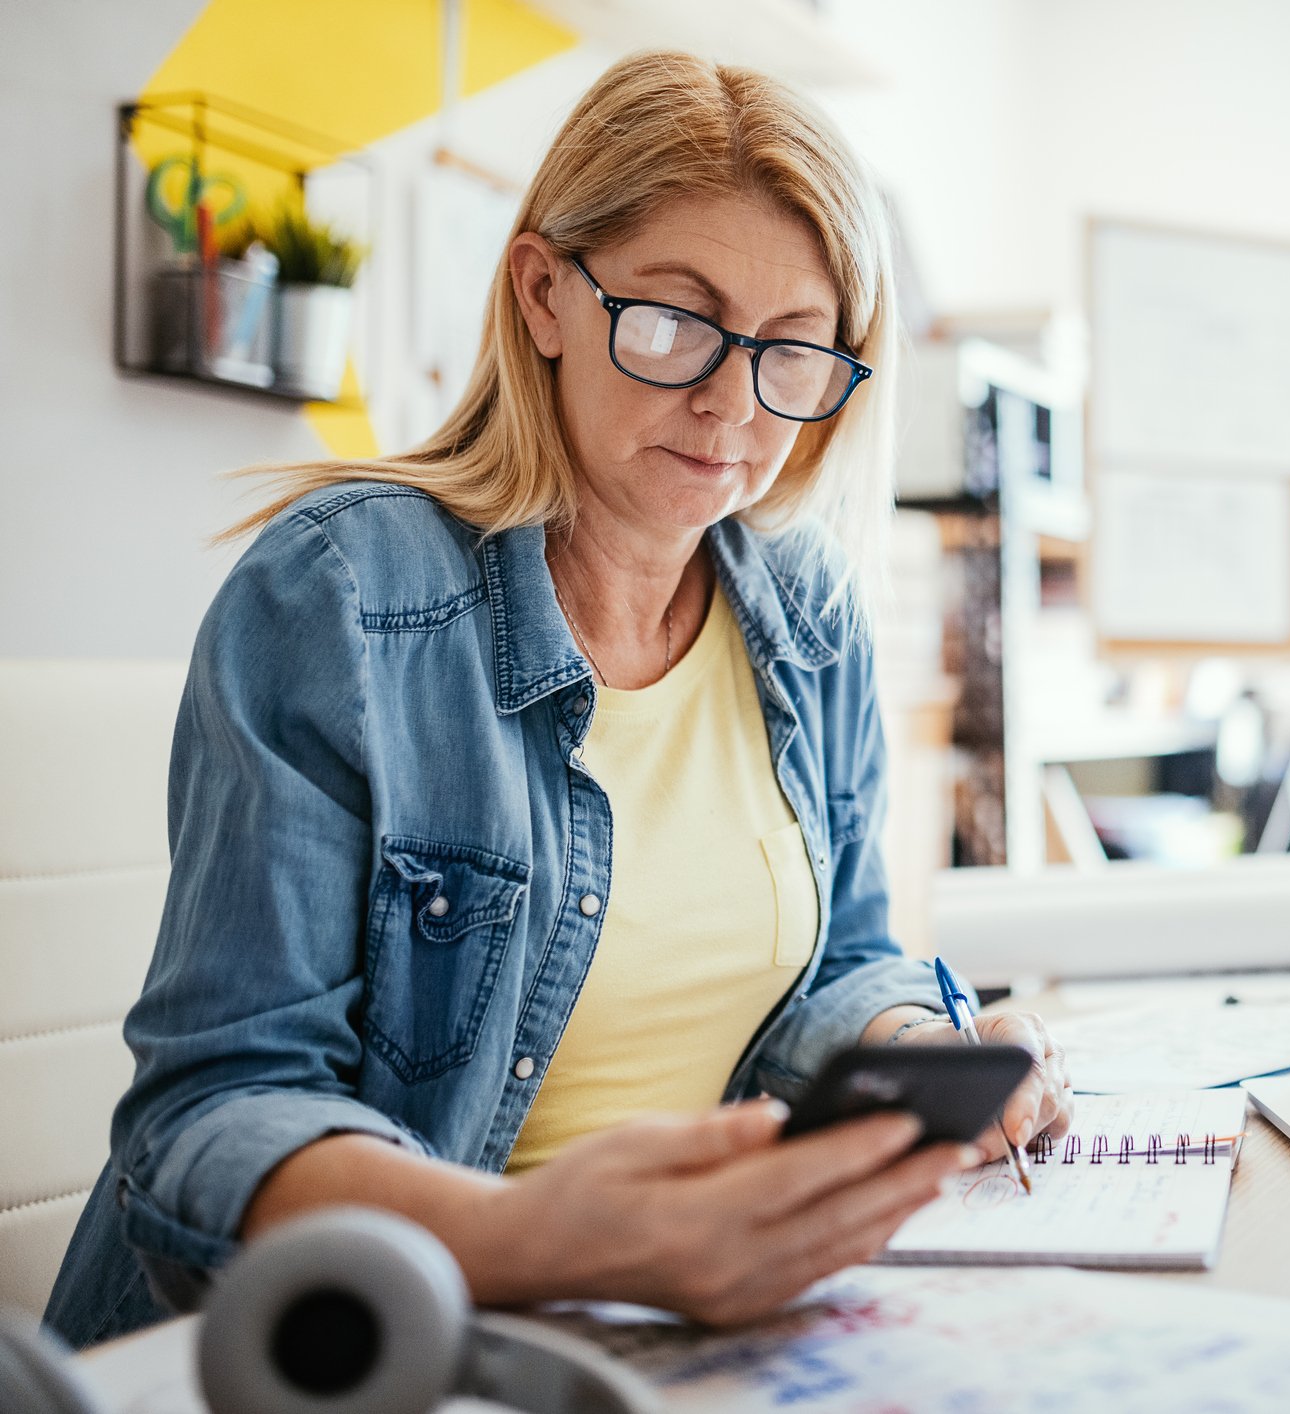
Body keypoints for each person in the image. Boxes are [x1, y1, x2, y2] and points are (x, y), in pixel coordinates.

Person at [45, 50, 1072, 1347]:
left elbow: (841, 961)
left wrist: (921, 1043)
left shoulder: (806, 610)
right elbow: (212, 1117)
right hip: (372, 1341)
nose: (729, 406)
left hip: (677, 1321)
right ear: (543, 294)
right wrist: (553, 1238)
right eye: (673, 323)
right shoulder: (342, 597)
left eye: (794, 355)